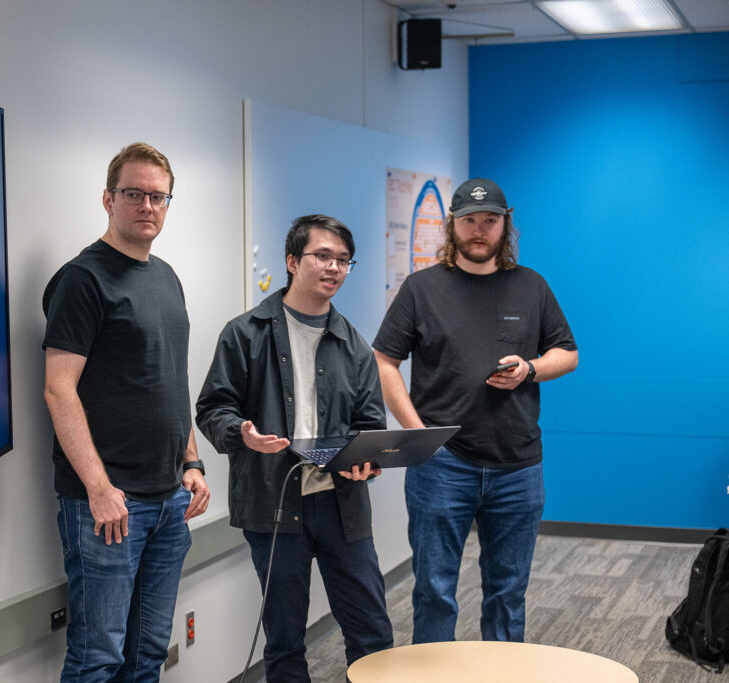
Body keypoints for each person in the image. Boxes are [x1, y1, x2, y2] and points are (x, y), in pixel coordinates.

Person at [373, 177, 578, 644]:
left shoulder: (531, 286)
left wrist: (529, 369)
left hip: (518, 465)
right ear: (453, 225)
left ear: (506, 225)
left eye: (490, 221)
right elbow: (384, 360)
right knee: (434, 591)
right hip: (442, 465)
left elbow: (568, 354)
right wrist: (418, 435)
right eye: (469, 221)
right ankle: (432, 674)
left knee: (508, 593)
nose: (479, 230)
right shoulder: (422, 289)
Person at [196, 215, 393, 681]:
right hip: (274, 505)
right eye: (322, 256)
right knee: (284, 642)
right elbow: (212, 408)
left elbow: (370, 425)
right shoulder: (245, 333)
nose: (334, 267)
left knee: (372, 635)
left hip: (342, 506)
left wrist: (366, 462)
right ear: (291, 261)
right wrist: (241, 433)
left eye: (343, 260)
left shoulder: (354, 345)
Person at [42, 142, 210, 682]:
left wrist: (191, 463)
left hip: (169, 501)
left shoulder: (166, 276)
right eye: (134, 194)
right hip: (109, 505)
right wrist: (98, 488)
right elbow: (58, 390)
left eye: (158, 196)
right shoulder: (83, 279)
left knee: (147, 655)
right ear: (108, 199)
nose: (147, 206)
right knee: (98, 659)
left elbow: (170, 383)